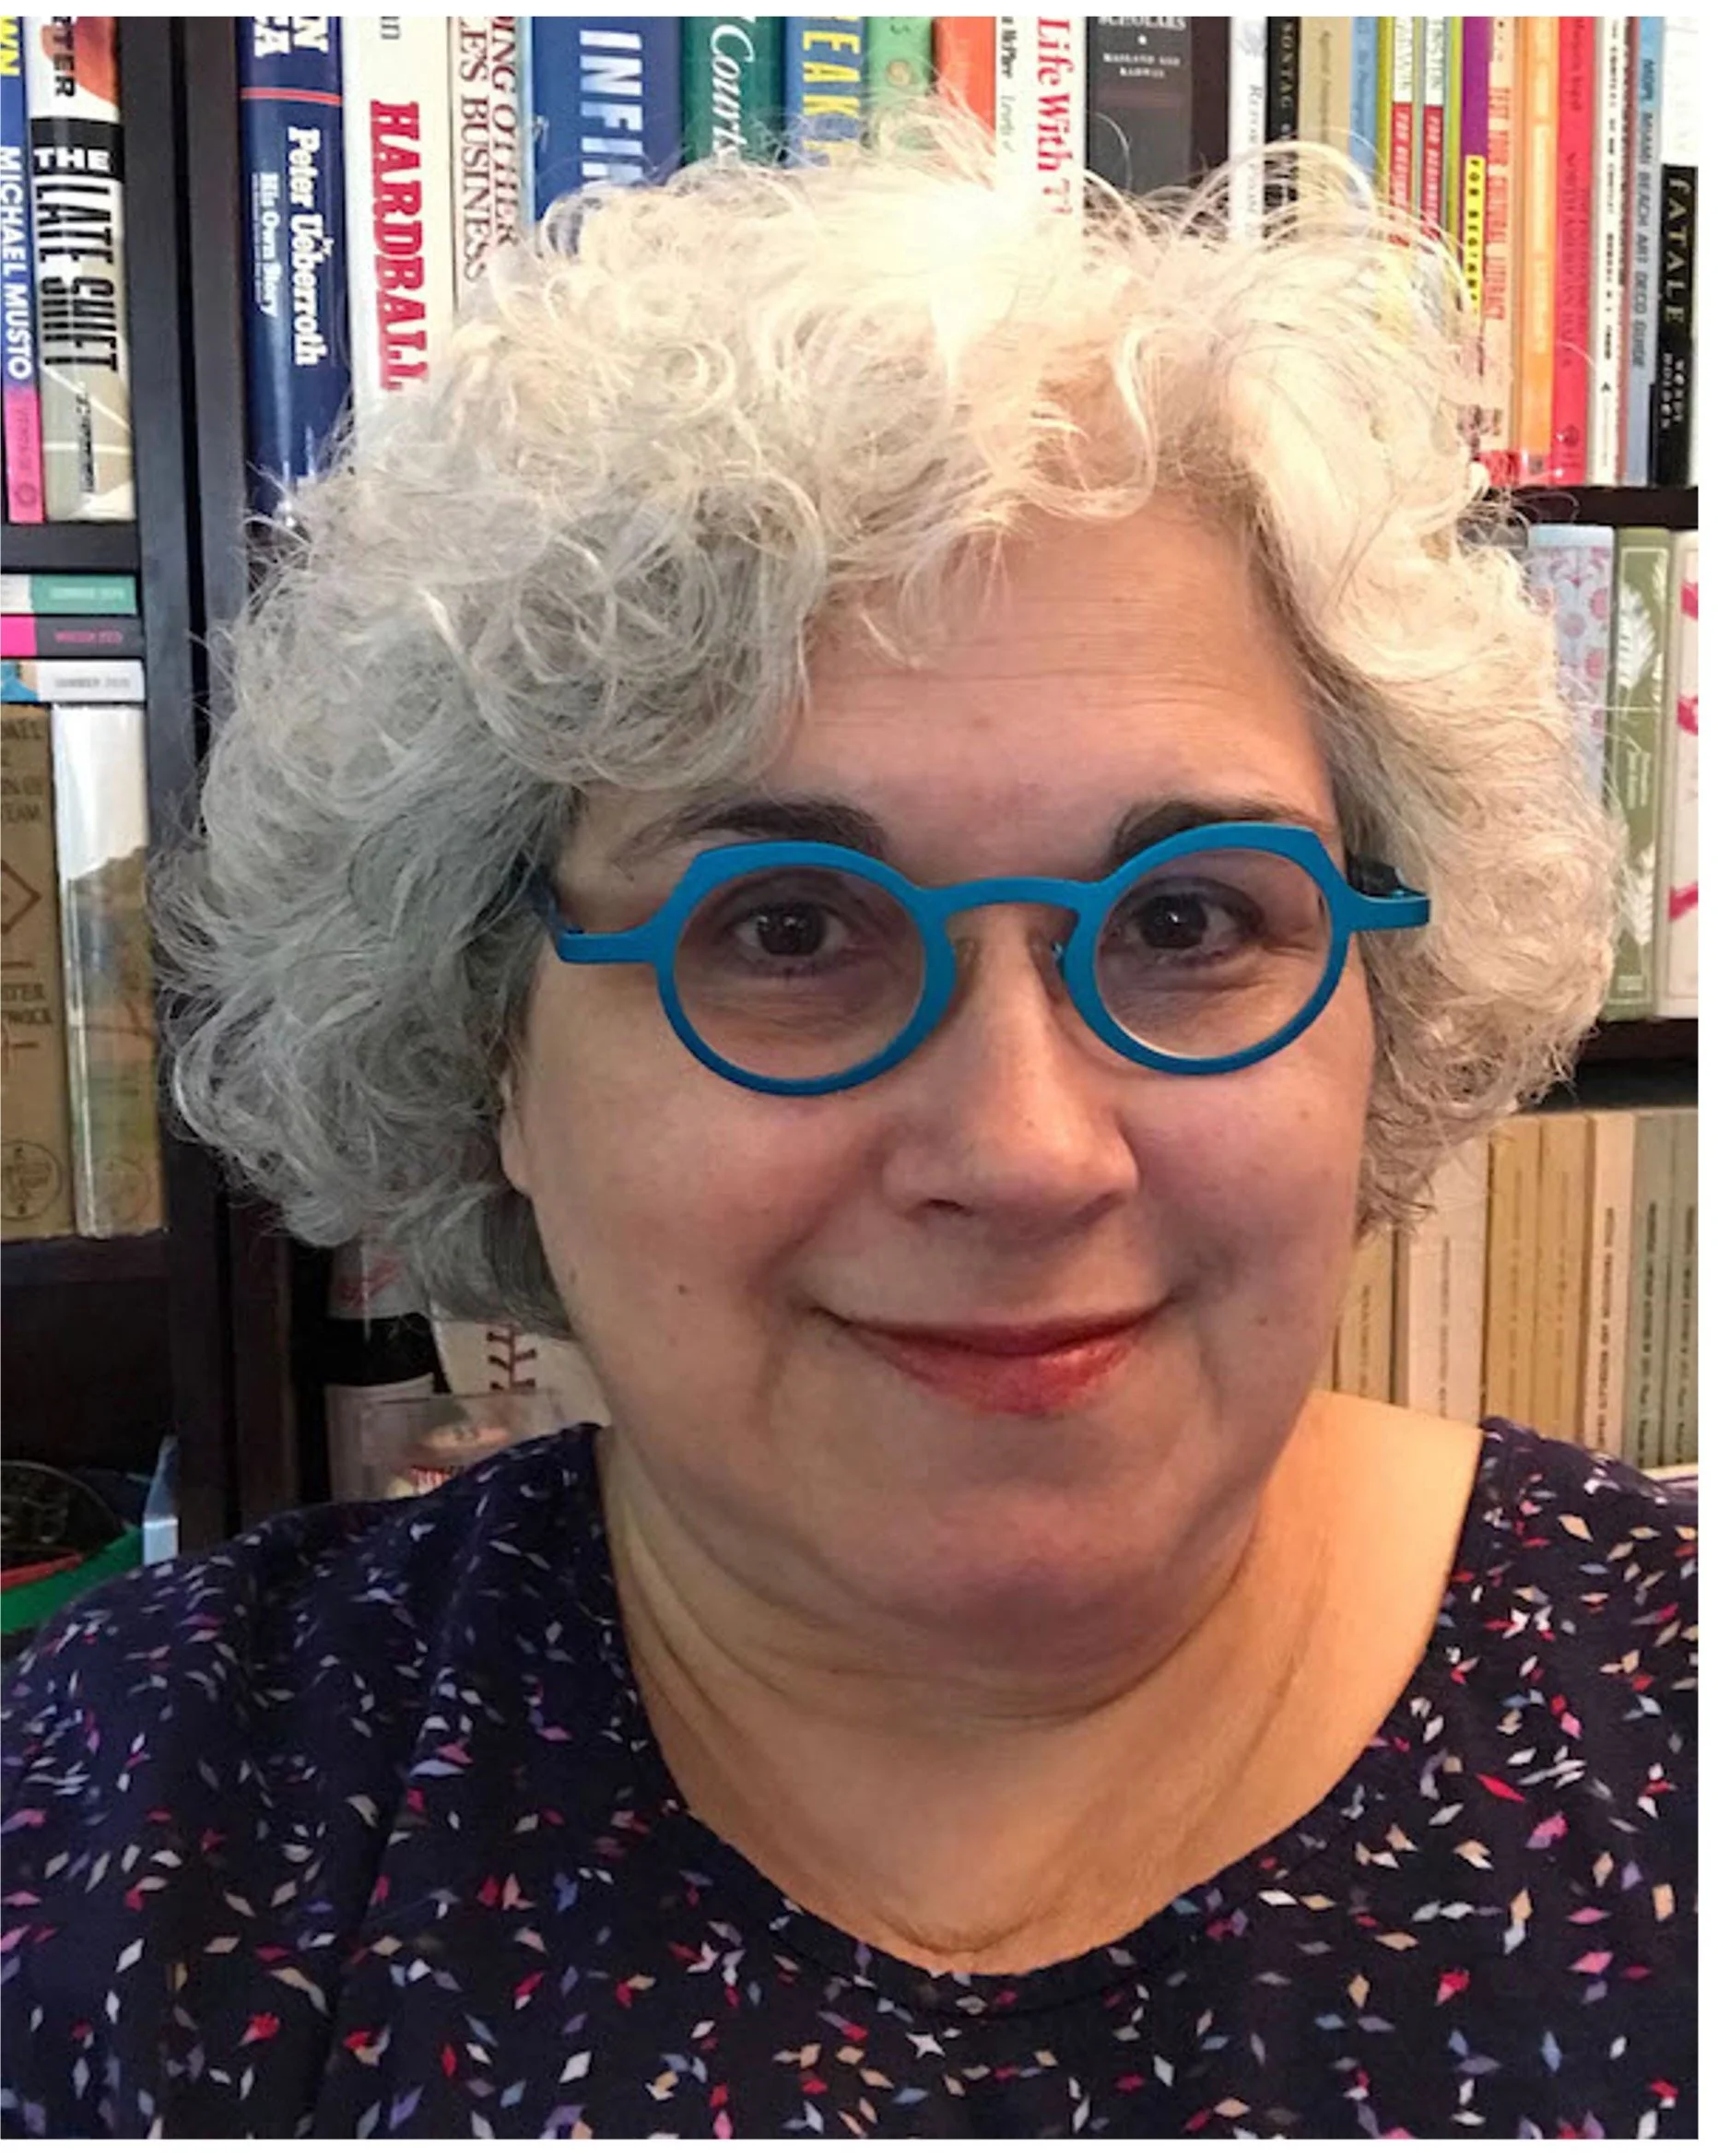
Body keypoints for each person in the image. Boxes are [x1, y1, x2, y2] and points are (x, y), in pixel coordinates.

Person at [1, 126, 1695, 2139]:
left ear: (1380, 1009)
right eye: (786, 929)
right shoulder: (134, 1828)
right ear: (487, 1044)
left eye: (1182, 922)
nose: (1028, 1151)